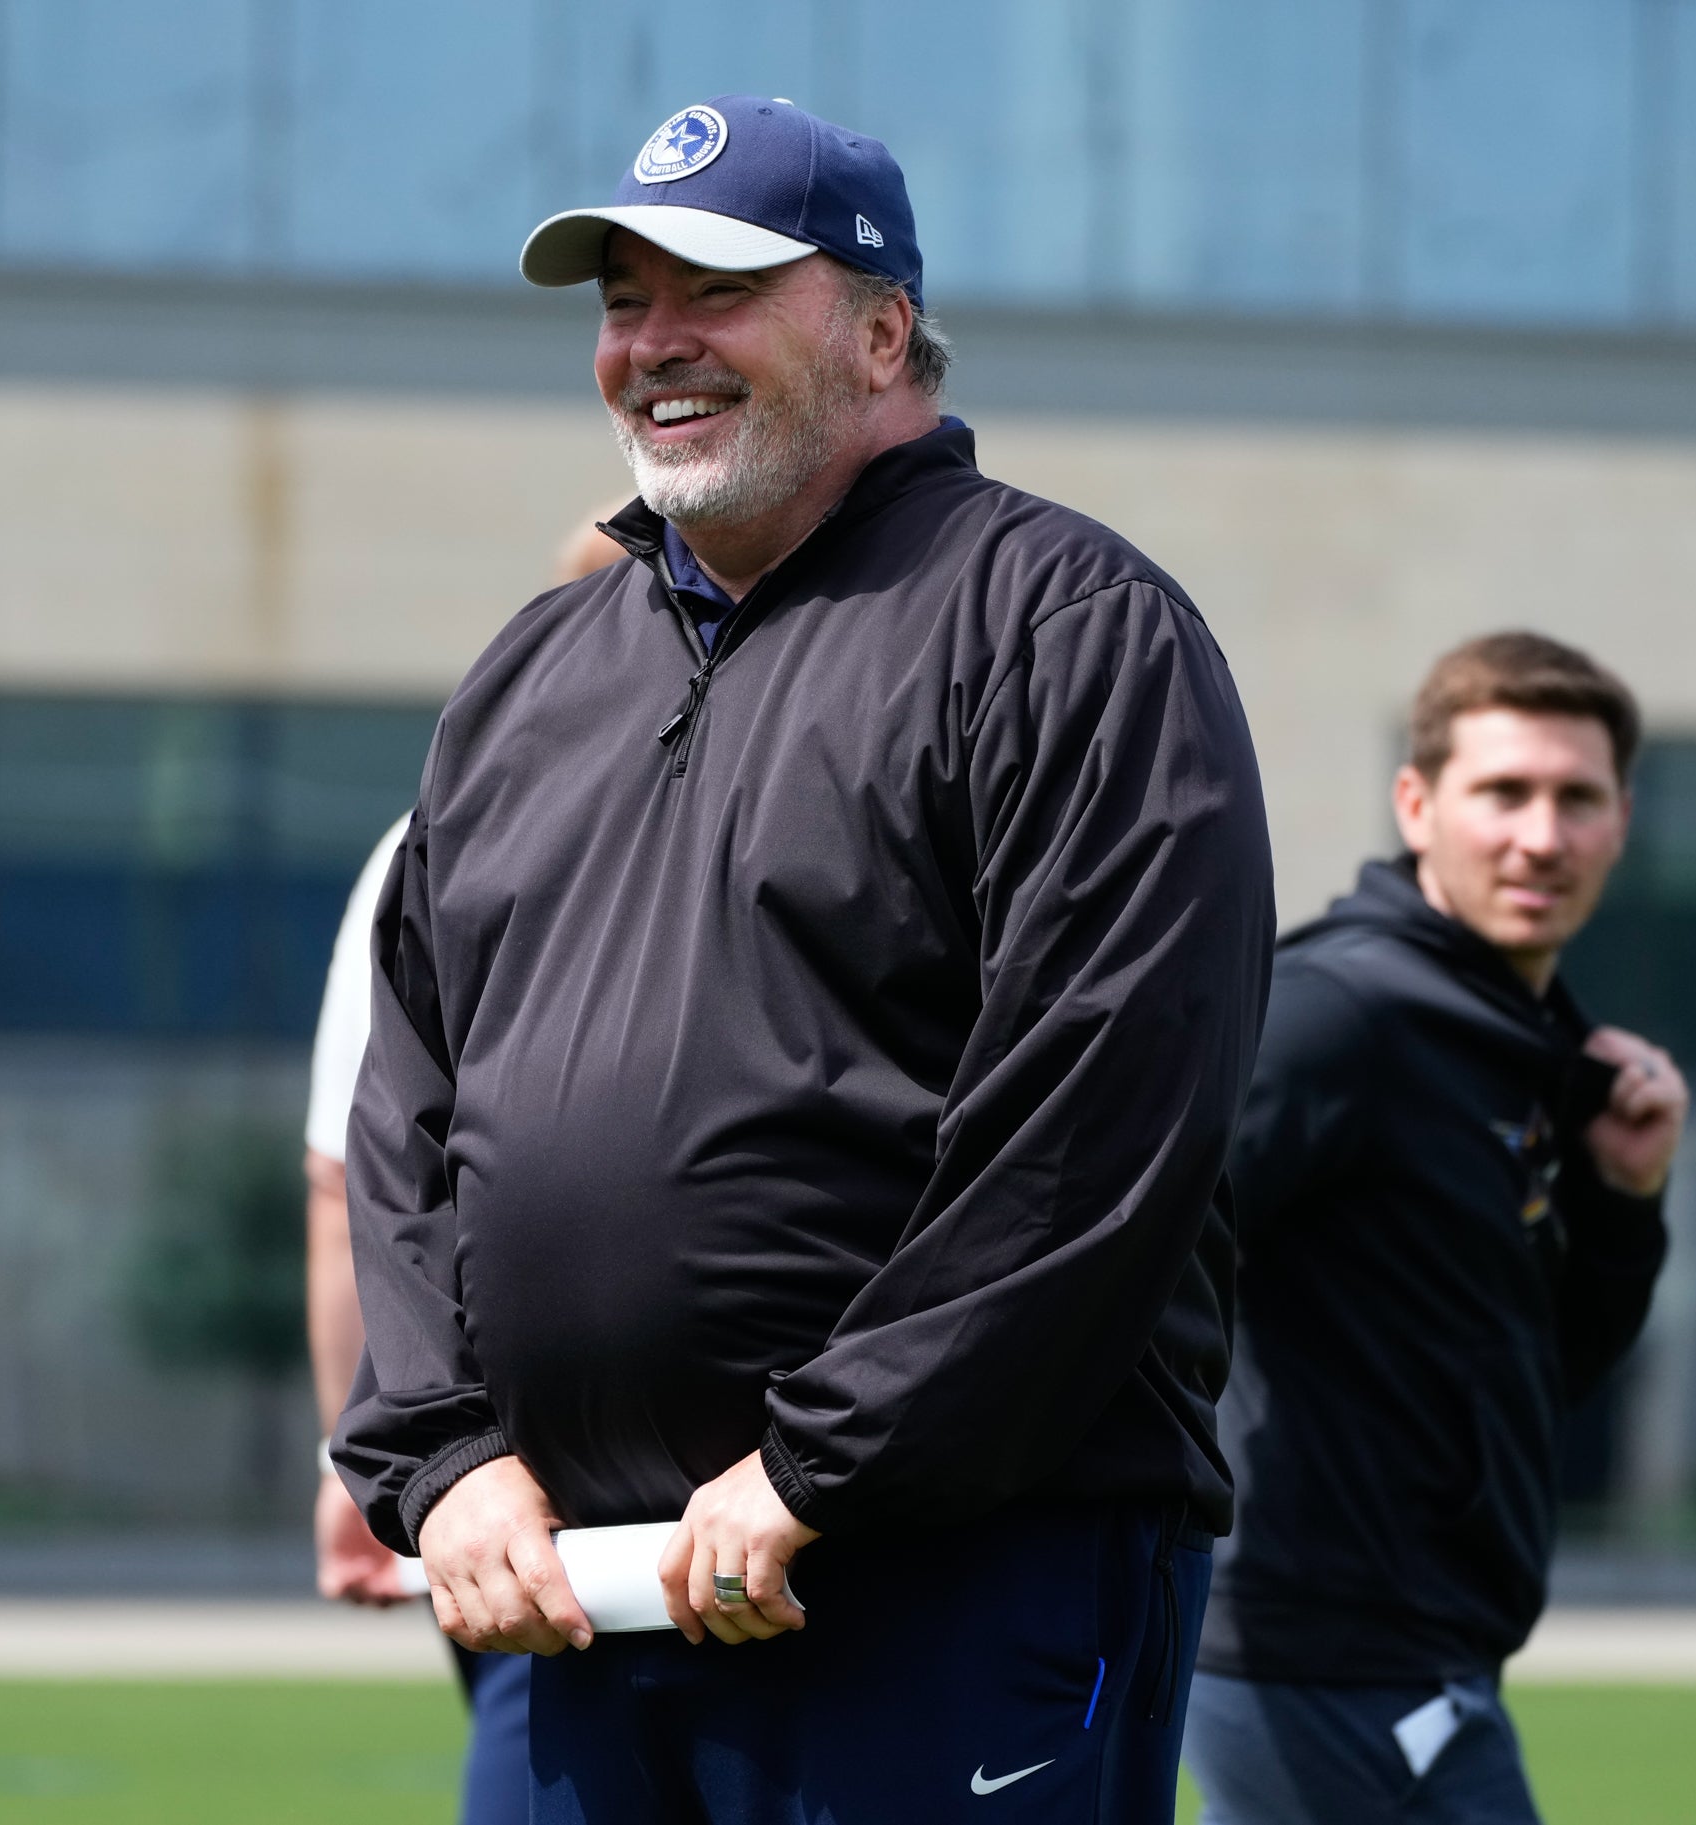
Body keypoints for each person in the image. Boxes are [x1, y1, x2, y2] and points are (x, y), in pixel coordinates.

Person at [333, 94, 1274, 1823]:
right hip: (581, 1602)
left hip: (950, 1580)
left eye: (711, 289)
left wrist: (823, 1462)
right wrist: (440, 1456)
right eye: (621, 301)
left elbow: (1096, 1126)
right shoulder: (532, 675)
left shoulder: (1066, 629)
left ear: (879, 330)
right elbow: (405, 1113)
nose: (651, 345)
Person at [1185, 633, 1686, 1825]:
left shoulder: (1518, 1050)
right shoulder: (1338, 1014)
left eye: (1576, 797)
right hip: (1312, 1655)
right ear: (1416, 804)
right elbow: (1127, 1254)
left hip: (1419, 1650)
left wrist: (1622, 1200)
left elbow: (1538, 1364)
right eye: (1501, 791)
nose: (1539, 835)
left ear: (1620, 820)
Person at [305, 516, 626, 1825]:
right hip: (520, 1488)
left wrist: (353, 1457)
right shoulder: (442, 841)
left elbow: (347, 1192)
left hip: (534, 1477)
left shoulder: (431, 836)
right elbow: (358, 1180)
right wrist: (376, 1457)